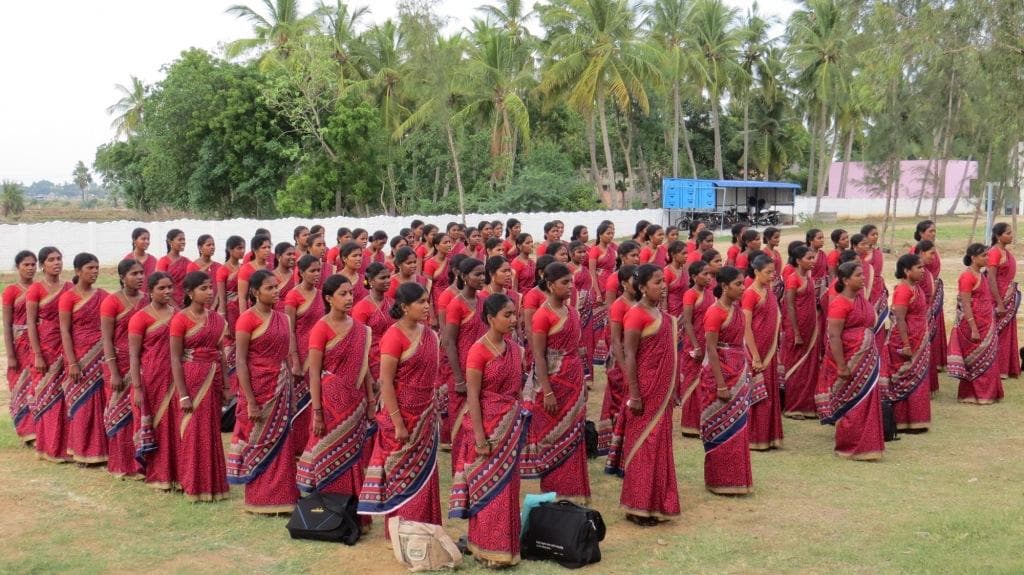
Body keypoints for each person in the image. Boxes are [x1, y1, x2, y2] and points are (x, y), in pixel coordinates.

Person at [449, 294, 530, 567]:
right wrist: (481, 437)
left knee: (508, 488)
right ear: (490, 318)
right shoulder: (478, 350)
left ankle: (506, 547)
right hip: (486, 427)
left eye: (514, 314)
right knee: (487, 488)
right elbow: (472, 396)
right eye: (507, 315)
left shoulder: (514, 349)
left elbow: (517, 390)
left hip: (510, 427)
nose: (513, 320)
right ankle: (485, 547)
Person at [358, 283, 443, 535]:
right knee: (400, 473)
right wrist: (397, 422)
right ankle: (401, 531)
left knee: (425, 473)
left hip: (425, 415)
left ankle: (426, 529)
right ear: (405, 307)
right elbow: (385, 382)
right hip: (402, 416)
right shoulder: (394, 336)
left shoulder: (430, 334)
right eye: (421, 302)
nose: (427, 306)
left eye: (428, 301)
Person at [606, 264, 680, 525]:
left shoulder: (660, 313)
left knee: (659, 445)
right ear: (642, 287)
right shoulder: (636, 315)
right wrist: (635, 394)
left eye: (663, 281)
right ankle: (638, 506)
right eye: (657, 282)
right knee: (643, 447)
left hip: (662, 391)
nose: (663, 285)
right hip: (644, 391)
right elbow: (629, 355)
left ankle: (657, 502)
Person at [297, 275, 375, 514]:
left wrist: (371, 400)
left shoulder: (361, 330)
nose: (349, 298)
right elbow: (315, 373)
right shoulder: (320, 328)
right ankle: (329, 512)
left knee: (353, 455)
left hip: (355, 400)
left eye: (351, 293)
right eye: (343, 294)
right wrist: (317, 412)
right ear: (329, 299)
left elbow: (366, 369)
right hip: (330, 403)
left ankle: (352, 513)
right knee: (329, 452)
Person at [227, 269, 302, 513]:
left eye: (276, 286)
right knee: (258, 439)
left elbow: (286, 356)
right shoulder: (247, 319)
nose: (276, 291)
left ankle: (284, 496)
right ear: (255, 292)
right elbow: (240, 360)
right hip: (258, 387)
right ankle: (260, 499)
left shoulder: (283, 318)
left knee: (283, 441)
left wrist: (290, 387)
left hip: (281, 385)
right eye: (269, 288)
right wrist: (250, 400)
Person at [522, 263, 591, 502]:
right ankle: (554, 490)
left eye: (571, 282)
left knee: (574, 432)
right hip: (552, 381)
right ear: (550, 285)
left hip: (573, 378)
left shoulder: (572, 311)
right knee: (552, 435)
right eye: (565, 283)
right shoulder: (543, 315)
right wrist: (548, 391)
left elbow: (577, 348)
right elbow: (539, 354)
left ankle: (574, 490)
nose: (570, 287)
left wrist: (582, 381)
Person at [169, 272, 230, 502]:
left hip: (213, 378)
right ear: (189, 292)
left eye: (210, 287)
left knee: (211, 430)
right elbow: (175, 358)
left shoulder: (216, 319)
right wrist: (183, 395)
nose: (209, 292)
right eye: (203, 288)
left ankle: (213, 484)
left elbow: (222, 354)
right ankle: (193, 483)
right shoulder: (180, 319)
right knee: (193, 431)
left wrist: (226, 385)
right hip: (191, 379)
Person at [818, 261, 885, 461]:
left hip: (866, 359)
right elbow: (834, 336)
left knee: (867, 401)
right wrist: (841, 365)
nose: (863, 278)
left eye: (862, 275)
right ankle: (850, 445)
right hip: (848, 359)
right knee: (851, 402)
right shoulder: (840, 303)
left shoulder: (860, 300)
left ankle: (869, 444)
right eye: (858, 275)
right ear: (846, 280)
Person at [701, 266, 753, 494]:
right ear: (724, 286)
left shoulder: (737, 309)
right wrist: (721, 383)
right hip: (720, 374)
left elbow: (740, 341)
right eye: (738, 284)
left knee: (739, 425)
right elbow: (710, 349)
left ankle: (736, 478)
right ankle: (719, 480)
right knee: (720, 426)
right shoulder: (715, 312)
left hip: (738, 372)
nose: (743, 288)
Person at [128, 273, 179, 488]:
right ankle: (156, 472)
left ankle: (175, 471)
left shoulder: (177, 315)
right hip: (150, 379)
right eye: (162, 288)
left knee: (173, 426)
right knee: (156, 426)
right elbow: (134, 354)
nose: (167, 292)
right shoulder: (140, 318)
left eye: (170, 288)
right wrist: (138, 388)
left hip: (175, 378)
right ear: (150, 291)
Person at [59, 253, 109, 464]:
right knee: (80, 404)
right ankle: (81, 452)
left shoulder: (104, 295)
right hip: (79, 356)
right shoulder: (68, 297)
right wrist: (72, 362)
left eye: (97, 267)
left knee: (101, 403)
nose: (95, 271)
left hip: (101, 355)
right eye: (90, 268)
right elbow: (65, 330)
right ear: (78, 271)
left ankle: (101, 451)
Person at [100, 259, 147, 479]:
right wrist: (115, 371)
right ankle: (121, 464)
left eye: (141, 273)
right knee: (120, 414)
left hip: (142, 365)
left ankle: (140, 462)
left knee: (141, 412)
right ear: (122, 277)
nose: (139, 277)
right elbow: (107, 339)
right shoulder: (112, 302)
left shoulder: (148, 300)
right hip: (118, 364)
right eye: (134, 274)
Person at [27, 247, 73, 462]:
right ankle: (48, 446)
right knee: (47, 395)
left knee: (65, 396)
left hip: (67, 345)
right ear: (42, 264)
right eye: (52, 260)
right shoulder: (36, 290)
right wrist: (37, 354)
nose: (57, 263)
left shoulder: (69, 287)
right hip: (45, 346)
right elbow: (31, 324)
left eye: (59, 259)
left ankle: (66, 445)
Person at [443, 258, 487, 472]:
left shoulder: (483, 302)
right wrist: (458, 377)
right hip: (461, 371)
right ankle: (460, 473)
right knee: (461, 427)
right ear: (463, 276)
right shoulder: (456, 304)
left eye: (483, 274)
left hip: (482, 370)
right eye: (477, 274)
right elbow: (449, 341)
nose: (482, 278)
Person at [948, 244, 1004, 404]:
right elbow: (965, 304)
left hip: (986, 323)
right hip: (974, 325)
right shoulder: (967, 277)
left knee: (990, 359)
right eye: (984, 256)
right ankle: (972, 395)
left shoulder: (981, 275)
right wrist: (973, 328)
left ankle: (989, 394)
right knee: (975, 362)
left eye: (988, 255)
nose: (987, 258)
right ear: (973, 258)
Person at [882, 255, 932, 432]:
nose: (922, 270)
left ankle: (917, 420)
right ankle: (903, 421)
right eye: (918, 267)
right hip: (906, 340)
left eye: (922, 267)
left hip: (919, 337)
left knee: (919, 379)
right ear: (906, 270)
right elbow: (899, 319)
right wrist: (906, 344)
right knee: (904, 378)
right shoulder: (903, 290)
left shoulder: (915, 287)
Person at [741, 255, 784, 451]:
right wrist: (755, 355)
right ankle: (754, 437)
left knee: (770, 391)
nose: (772, 275)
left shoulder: (770, 291)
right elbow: (746, 326)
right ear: (756, 272)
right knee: (758, 395)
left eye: (773, 272)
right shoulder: (750, 294)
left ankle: (769, 436)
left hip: (769, 350)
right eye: (767, 272)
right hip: (755, 350)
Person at [284, 255, 325, 457]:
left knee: (317, 398)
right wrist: (295, 360)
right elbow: (290, 330)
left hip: (319, 351)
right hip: (300, 351)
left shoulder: (321, 294)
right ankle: (298, 447)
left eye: (319, 270)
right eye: (312, 271)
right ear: (301, 272)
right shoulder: (293, 296)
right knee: (300, 402)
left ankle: (313, 444)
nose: (317, 274)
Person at [597, 265, 636, 454]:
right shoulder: (619, 306)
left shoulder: (641, 303)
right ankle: (617, 448)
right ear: (624, 284)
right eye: (633, 279)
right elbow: (615, 340)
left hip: (637, 357)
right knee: (620, 401)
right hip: (621, 359)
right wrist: (624, 368)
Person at [781, 244, 821, 419]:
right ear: (798, 261)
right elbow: (789, 305)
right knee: (796, 368)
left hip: (811, 328)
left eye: (813, 258)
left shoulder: (809, 277)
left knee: (810, 368)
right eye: (809, 258)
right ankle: (793, 406)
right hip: (797, 329)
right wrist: (796, 332)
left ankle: (807, 405)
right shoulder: (793, 279)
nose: (813, 261)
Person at [4, 250, 37, 444]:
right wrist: (10, 355)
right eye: (26, 264)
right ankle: (26, 431)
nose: (30, 268)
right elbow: (7, 324)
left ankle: (39, 428)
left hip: (38, 343)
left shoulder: (41, 288)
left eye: (33, 264)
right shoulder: (11, 291)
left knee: (37, 385)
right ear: (18, 267)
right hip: (19, 344)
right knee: (20, 386)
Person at [679, 261, 714, 437]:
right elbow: (687, 321)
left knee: (705, 383)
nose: (709, 277)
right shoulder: (690, 295)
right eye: (705, 274)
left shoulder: (710, 294)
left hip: (708, 344)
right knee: (692, 383)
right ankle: (689, 425)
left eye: (710, 274)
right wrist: (695, 345)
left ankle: (703, 420)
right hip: (694, 345)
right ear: (693, 277)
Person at [915, 220, 946, 388]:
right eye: (930, 231)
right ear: (921, 233)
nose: (933, 234)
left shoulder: (933, 250)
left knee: (934, 328)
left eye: (935, 231)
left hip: (933, 291)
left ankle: (936, 362)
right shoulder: (917, 252)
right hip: (923, 293)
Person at [352, 262, 394, 384]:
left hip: (394, 358)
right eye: (382, 278)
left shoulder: (393, 303)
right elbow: (359, 344)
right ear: (371, 281)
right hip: (373, 362)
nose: (387, 280)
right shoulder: (361, 308)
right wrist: (368, 376)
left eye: (388, 277)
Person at [987, 223, 1019, 378]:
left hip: (1008, 295)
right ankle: (997, 368)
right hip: (997, 297)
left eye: (1011, 232)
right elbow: (991, 278)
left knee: (1007, 333)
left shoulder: (1006, 251)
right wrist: (999, 302)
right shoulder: (994, 252)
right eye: (1008, 233)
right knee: (998, 333)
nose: (1011, 235)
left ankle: (1007, 368)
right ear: (998, 236)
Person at [587, 221, 617, 366]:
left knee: (610, 321)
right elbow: (592, 272)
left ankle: (609, 353)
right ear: (600, 234)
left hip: (611, 285)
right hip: (599, 286)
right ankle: (596, 355)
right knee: (597, 325)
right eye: (608, 233)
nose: (611, 236)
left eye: (612, 233)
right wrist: (597, 292)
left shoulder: (614, 249)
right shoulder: (595, 250)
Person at [237, 234, 272, 315]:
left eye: (269, 247)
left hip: (271, 308)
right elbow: (242, 297)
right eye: (264, 248)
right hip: (254, 309)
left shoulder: (271, 266)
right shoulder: (246, 269)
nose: (267, 250)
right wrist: (243, 316)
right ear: (255, 250)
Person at [156, 229, 191, 308]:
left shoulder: (187, 261)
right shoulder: (163, 262)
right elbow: (162, 285)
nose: (183, 242)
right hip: (167, 303)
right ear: (170, 242)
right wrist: (176, 307)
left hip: (186, 303)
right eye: (180, 239)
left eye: (184, 239)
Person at [186, 235, 222, 311]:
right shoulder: (192, 267)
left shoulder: (219, 267)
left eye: (213, 245)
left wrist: (214, 306)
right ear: (200, 248)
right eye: (208, 245)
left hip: (216, 306)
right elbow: (191, 288)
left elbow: (220, 289)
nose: (212, 247)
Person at [425, 233, 453, 310]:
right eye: (445, 243)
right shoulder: (430, 263)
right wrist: (431, 311)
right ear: (437, 246)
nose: (449, 244)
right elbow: (428, 289)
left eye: (449, 242)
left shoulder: (452, 260)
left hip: (452, 298)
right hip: (437, 300)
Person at [663, 241, 689, 318]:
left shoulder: (684, 269)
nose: (686, 256)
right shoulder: (667, 271)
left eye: (687, 253)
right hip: (673, 312)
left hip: (685, 310)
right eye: (683, 253)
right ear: (673, 254)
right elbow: (664, 296)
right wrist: (666, 315)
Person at [271, 242, 298, 311]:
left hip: (294, 313)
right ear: (278, 256)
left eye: (294, 254)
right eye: (289, 254)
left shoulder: (297, 275)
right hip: (275, 315)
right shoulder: (270, 277)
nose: (293, 257)